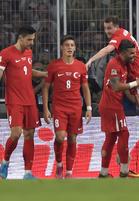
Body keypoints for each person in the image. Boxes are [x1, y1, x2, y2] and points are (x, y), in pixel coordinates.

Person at [85, 15, 139, 147]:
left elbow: (107, 49)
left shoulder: (117, 36)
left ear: (116, 27)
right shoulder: (123, 32)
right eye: (105, 28)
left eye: (109, 28)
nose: (107, 31)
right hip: (136, 69)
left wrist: (90, 60)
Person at [0, 25, 46, 179]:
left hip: (29, 100)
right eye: (29, 39)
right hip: (14, 101)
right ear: (20, 38)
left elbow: (27, 71)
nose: (32, 42)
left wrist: (45, 74)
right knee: (16, 133)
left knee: (30, 134)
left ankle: (28, 173)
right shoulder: (6, 53)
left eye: (33, 39)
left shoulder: (29, 52)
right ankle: (5, 160)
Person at [98, 39, 139, 178]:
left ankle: (104, 173)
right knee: (124, 134)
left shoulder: (125, 64)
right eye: (131, 53)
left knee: (110, 139)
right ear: (122, 53)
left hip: (112, 105)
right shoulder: (114, 65)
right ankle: (124, 171)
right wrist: (135, 83)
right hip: (111, 106)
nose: (134, 55)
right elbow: (116, 87)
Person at [42, 35, 92, 179]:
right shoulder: (53, 65)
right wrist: (46, 109)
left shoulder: (80, 66)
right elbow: (45, 88)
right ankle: (59, 165)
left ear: (75, 48)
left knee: (72, 138)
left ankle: (69, 172)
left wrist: (88, 108)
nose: (70, 48)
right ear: (61, 48)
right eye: (67, 45)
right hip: (59, 107)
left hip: (76, 106)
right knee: (60, 136)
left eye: (72, 45)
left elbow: (85, 88)